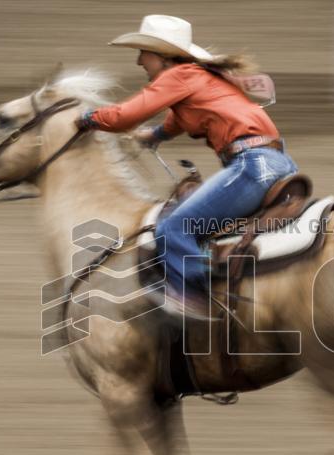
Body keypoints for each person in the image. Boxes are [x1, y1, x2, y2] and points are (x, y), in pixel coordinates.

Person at [75, 15, 298, 315]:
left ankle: (195, 300)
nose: (139, 61)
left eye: (143, 53)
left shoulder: (179, 75)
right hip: (275, 163)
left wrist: (87, 118)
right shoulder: (198, 77)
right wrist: (156, 135)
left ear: (163, 56)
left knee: (173, 228)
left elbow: (125, 116)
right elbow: (181, 118)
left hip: (252, 166)